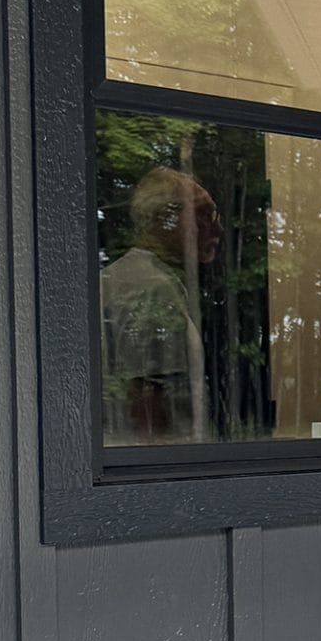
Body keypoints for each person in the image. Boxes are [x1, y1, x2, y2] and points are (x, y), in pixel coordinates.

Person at [99, 166, 221, 444]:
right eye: (205, 213)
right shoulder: (150, 286)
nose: (217, 227)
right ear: (166, 218)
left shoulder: (123, 278)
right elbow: (147, 399)